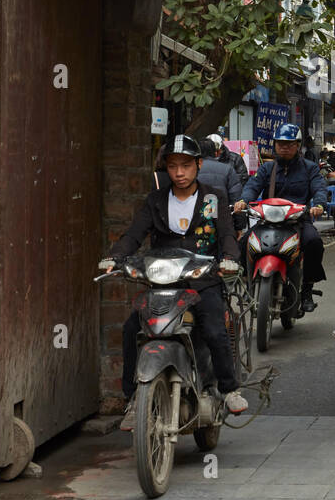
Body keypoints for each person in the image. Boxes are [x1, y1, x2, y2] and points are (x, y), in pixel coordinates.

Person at [101, 134, 248, 430]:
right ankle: (132, 399)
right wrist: (115, 257)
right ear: (166, 168)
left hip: (201, 281)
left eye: (185, 165)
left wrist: (230, 258)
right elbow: (134, 234)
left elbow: (227, 234)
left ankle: (229, 387)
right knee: (132, 329)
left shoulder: (213, 197)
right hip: (163, 284)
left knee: (214, 328)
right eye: (172, 166)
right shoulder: (155, 200)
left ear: (198, 164)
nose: (179, 173)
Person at [236, 122, 328, 311]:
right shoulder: (267, 169)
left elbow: (319, 188)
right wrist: (244, 201)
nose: (284, 148)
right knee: (244, 241)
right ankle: (246, 282)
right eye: (280, 144)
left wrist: (319, 205)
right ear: (275, 145)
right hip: (268, 220)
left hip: (298, 221)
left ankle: (307, 289)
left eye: (289, 144)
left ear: (298, 145)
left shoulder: (310, 168)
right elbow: (253, 186)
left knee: (314, 243)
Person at [198, 136, 243, 205]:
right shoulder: (228, 169)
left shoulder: (191, 169)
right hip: (222, 211)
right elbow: (235, 196)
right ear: (215, 153)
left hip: (196, 212)